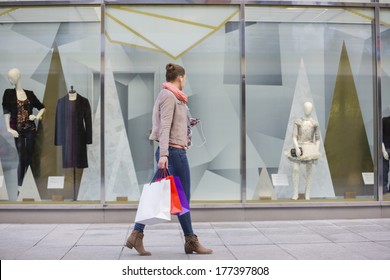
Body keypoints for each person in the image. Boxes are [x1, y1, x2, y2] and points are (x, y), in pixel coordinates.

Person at [126, 63, 212, 256]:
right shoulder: (169, 96)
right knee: (181, 199)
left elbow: (171, 124)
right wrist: (164, 154)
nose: (185, 81)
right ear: (180, 78)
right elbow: (164, 127)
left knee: (168, 197)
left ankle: (137, 234)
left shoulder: (174, 97)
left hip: (173, 152)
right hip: (173, 154)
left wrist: (187, 123)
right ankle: (190, 240)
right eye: (185, 78)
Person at [2, 68, 45, 196]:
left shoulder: (30, 94)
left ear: (18, 76)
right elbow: (6, 112)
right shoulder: (8, 93)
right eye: (9, 77)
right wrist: (9, 128)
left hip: (31, 130)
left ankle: (30, 185)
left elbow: (42, 108)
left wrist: (36, 117)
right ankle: (20, 186)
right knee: (21, 157)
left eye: (11, 77)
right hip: (18, 130)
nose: (10, 80)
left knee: (30, 157)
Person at [288, 101, 320, 200]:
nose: (307, 109)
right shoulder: (298, 122)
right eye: (306, 107)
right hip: (300, 146)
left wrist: (316, 150)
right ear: (303, 108)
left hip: (310, 147)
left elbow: (317, 138)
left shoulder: (314, 123)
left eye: (309, 107)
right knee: (295, 169)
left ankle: (308, 193)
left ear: (312, 109)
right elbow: (294, 136)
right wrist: (297, 147)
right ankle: (295, 192)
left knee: (309, 170)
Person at [382, 104, 390, 194]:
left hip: (386, 148)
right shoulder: (384, 120)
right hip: (386, 148)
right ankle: (383, 188)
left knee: (384, 168)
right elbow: (380, 136)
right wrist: (383, 149)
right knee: (384, 169)